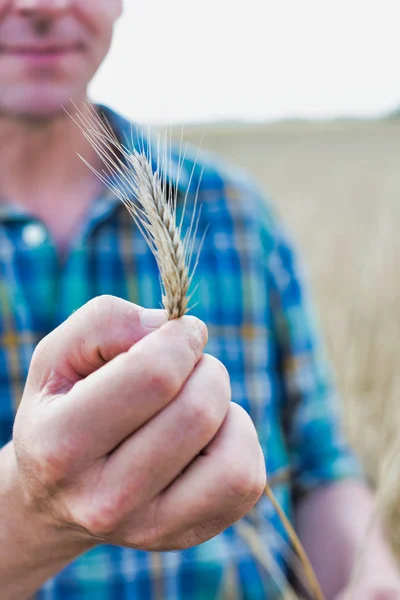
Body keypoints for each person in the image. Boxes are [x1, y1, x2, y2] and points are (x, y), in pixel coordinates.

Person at [0, 1, 399, 599]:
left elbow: (318, 462)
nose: (42, 4)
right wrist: (28, 510)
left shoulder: (238, 213)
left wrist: (368, 578)